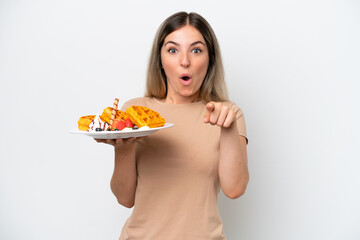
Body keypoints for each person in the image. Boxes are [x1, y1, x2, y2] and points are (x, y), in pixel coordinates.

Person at [96, 11, 249, 240]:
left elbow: (235, 189)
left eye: (196, 50)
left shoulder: (228, 114)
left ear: (210, 60)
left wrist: (227, 129)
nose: (184, 61)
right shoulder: (136, 114)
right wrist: (123, 146)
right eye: (173, 50)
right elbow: (124, 198)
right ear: (160, 60)